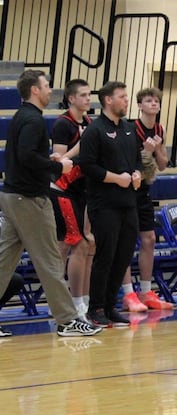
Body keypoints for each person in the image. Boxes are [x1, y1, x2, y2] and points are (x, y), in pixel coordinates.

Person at [0, 70, 101, 337]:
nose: (49, 90)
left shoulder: (22, 116)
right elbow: (27, 157)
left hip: (11, 197)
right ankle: (68, 320)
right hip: (30, 199)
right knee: (50, 262)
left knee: (3, 262)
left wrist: (50, 163)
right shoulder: (33, 120)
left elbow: (26, 156)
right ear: (34, 90)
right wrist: (58, 167)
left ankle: (67, 318)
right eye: (46, 86)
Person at [80, 81, 142, 328]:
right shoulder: (95, 130)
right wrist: (116, 178)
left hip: (128, 203)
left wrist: (137, 173)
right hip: (104, 203)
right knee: (105, 256)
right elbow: (87, 166)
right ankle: (95, 308)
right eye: (122, 97)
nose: (126, 101)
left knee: (123, 255)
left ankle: (109, 305)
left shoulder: (128, 128)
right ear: (108, 100)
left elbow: (136, 159)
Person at [120, 87, 173, 313]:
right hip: (128, 188)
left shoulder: (159, 128)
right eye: (149, 101)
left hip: (145, 190)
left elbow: (162, 164)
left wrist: (157, 149)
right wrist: (145, 150)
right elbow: (127, 161)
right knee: (125, 241)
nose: (154, 104)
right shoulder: (131, 128)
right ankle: (127, 293)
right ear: (139, 105)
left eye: (156, 101)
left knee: (149, 239)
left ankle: (146, 290)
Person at [48, 78, 94, 320]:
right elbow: (60, 162)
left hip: (81, 190)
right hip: (62, 189)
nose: (88, 98)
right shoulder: (62, 125)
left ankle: (80, 301)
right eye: (83, 95)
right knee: (72, 245)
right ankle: (70, 304)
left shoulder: (87, 121)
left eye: (89, 95)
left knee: (83, 244)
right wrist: (82, 144)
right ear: (71, 98)